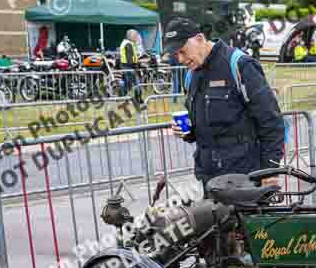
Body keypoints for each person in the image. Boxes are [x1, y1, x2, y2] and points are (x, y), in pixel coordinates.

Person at [165, 17, 284, 192]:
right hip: (209, 180)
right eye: (176, 55)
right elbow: (202, 123)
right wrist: (187, 131)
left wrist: (270, 171)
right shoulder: (191, 75)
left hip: (245, 180)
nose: (181, 59)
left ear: (199, 39)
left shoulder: (239, 65)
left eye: (183, 52)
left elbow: (271, 121)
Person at [119, 30, 139, 96]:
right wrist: (134, 66)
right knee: (134, 83)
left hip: (125, 66)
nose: (136, 37)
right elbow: (129, 58)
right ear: (131, 36)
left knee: (128, 83)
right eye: (135, 36)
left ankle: (123, 96)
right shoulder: (128, 44)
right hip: (128, 66)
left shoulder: (126, 42)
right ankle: (137, 98)